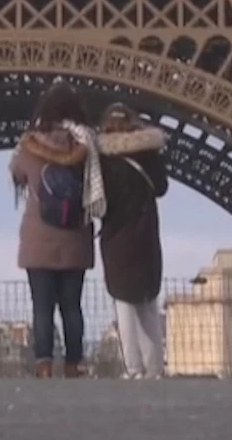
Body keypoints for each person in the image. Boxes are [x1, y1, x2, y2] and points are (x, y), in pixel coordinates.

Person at [9, 82, 106, 378]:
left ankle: (44, 363)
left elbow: (17, 174)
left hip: (38, 240)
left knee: (42, 307)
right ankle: (74, 363)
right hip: (75, 237)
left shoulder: (29, 146)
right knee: (72, 307)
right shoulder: (87, 145)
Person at [95, 103, 168, 379]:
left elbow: (98, 201)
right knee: (149, 302)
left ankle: (133, 368)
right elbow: (161, 188)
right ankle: (155, 369)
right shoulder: (147, 154)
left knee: (123, 303)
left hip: (116, 236)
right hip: (146, 233)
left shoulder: (102, 160)